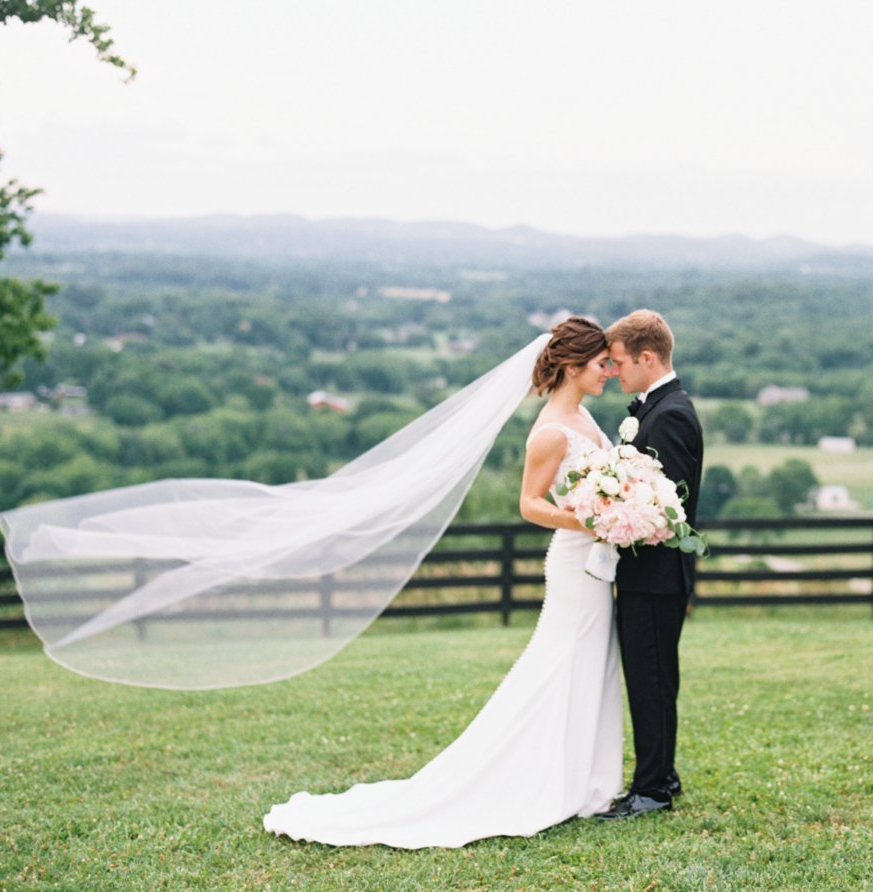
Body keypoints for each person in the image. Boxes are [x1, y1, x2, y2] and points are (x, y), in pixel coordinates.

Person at [263, 317, 625, 848]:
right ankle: (548, 780)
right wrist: (591, 521)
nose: (609, 373)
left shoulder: (587, 417)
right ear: (573, 366)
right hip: (574, 562)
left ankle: (589, 781)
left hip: (595, 560)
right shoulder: (550, 431)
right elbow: (529, 504)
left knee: (594, 662)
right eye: (601, 365)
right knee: (563, 663)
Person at [596, 310, 704, 821]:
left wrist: (610, 513)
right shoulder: (654, 408)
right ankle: (662, 775)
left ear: (647, 357)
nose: (614, 372)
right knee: (650, 677)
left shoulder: (672, 414)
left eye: (618, 362)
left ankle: (653, 789)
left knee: (652, 678)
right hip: (644, 574)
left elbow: (668, 508)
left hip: (657, 575)